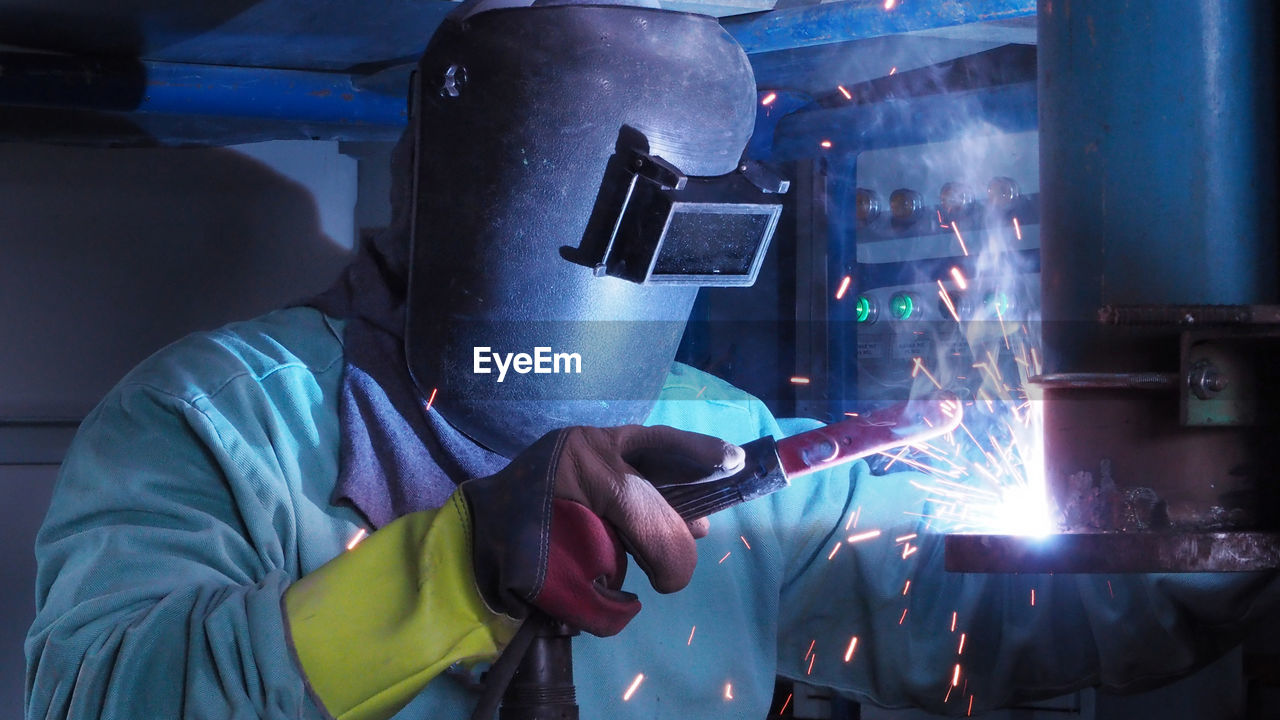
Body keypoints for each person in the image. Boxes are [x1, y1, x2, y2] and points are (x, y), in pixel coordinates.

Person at [25, 1, 1279, 719]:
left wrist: (1216, 503)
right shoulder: (218, 423)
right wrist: (450, 570)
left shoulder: (718, 439)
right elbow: (101, 699)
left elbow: (1019, 622)